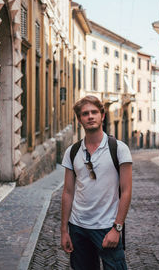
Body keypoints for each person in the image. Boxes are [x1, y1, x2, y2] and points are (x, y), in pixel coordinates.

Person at [61, 95, 132, 270]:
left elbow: (127, 192)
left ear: (102, 115)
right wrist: (64, 231)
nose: (90, 116)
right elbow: (68, 192)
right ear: (79, 119)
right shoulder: (72, 152)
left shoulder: (119, 149)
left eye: (94, 112)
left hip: (107, 227)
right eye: (85, 114)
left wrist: (117, 228)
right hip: (78, 228)